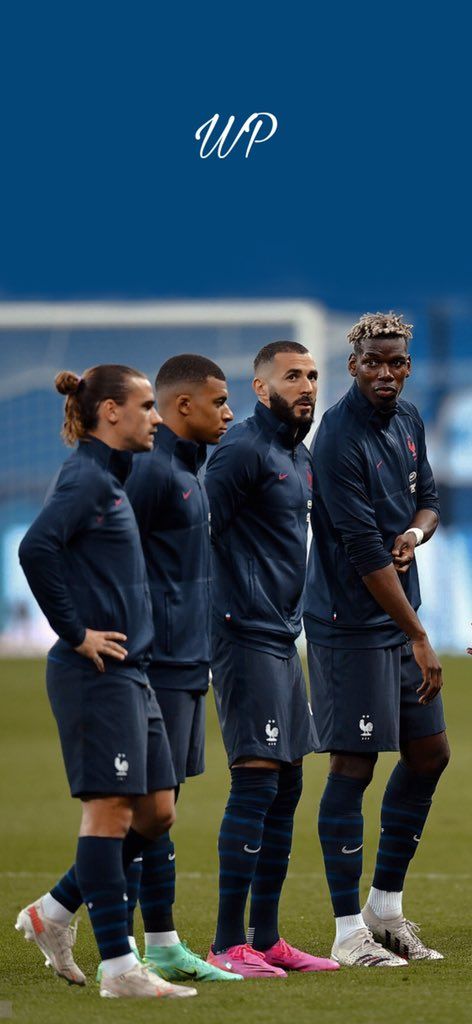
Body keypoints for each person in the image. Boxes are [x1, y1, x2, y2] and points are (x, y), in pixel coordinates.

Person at [16, 365, 197, 999]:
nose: (156, 418)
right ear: (111, 413)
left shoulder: (112, 478)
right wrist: (75, 632)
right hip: (96, 674)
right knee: (112, 810)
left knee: (157, 811)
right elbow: (35, 548)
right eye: (147, 407)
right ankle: (120, 968)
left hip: (134, 672)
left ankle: (56, 911)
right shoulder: (87, 478)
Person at [304, 312, 449, 967]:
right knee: (353, 767)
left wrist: (416, 534)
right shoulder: (336, 437)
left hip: (397, 619)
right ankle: (345, 932)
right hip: (350, 626)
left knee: (429, 755)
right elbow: (363, 551)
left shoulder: (412, 421)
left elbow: (430, 504)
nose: (386, 374)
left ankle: (384, 909)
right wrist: (418, 634)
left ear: (408, 364)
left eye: (396, 363)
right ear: (353, 365)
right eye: (374, 364)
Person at [204, 340, 339, 978]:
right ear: (262, 389)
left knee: (287, 783)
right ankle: (228, 943)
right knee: (257, 779)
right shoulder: (240, 449)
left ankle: (268, 936)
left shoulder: (298, 453)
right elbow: (196, 532)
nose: (306, 384)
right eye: (292, 376)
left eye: (312, 374)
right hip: (242, 633)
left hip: (282, 637)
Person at [123, 353, 238, 981]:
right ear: (181, 406)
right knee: (150, 810)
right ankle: (63, 908)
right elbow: (108, 556)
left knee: (164, 807)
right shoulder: (153, 471)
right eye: (218, 402)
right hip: (156, 662)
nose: (228, 413)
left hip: (191, 660)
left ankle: (162, 942)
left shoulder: (189, 471)